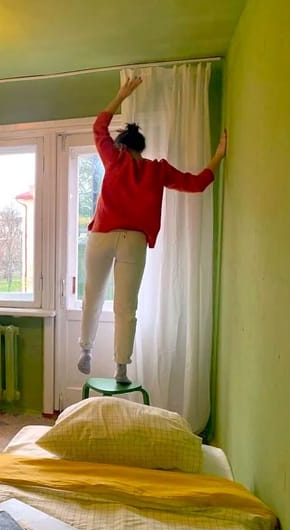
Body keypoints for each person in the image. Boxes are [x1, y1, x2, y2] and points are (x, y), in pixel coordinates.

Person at [77, 76, 227, 385]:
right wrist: (218, 156)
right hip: (133, 241)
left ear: (121, 147)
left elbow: (98, 128)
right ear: (141, 150)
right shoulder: (157, 169)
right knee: (126, 306)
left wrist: (120, 94)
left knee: (93, 294)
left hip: (102, 236)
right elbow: (197, 184)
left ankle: (86, 350)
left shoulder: (114, 160)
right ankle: (121, 367)